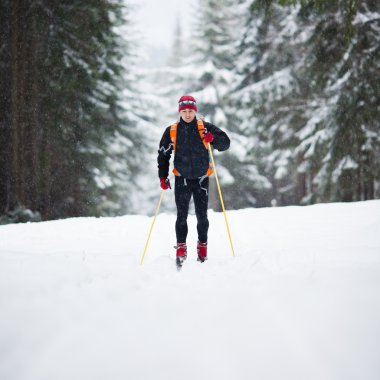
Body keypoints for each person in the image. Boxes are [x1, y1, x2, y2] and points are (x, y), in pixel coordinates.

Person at [157, 95, 230, 267]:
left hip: (201, 178)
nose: (188, 114)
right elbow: (163, 154)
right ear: (180, 112)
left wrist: (212, 139)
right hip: (181, 178)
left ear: (195, 111)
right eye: (184, 111)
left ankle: (202, 248)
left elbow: (225, 143)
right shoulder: (172, 131)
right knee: (181, 216)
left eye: (190, 111)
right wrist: (163, 176)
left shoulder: (204, 128)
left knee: (202, 216)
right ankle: (181, 249)